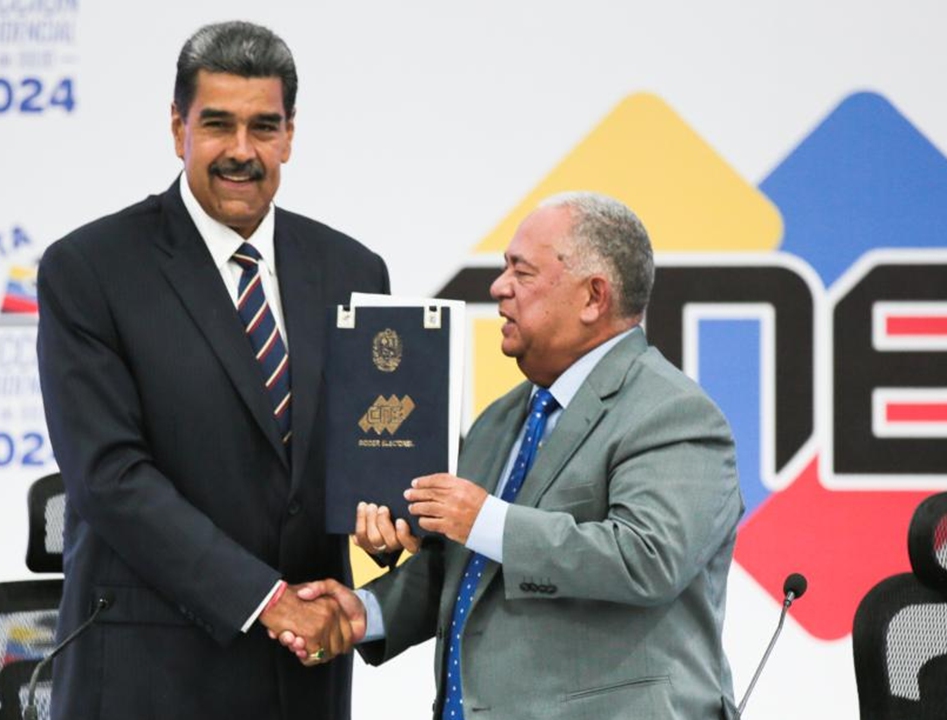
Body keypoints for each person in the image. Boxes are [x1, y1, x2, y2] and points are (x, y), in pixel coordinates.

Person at [36, 21, 387, 720]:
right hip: (151, 675)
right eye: (217, 124)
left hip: (303, 678)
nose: (241, 151)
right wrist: (267, 600)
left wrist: (390, 516)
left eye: (264, 126)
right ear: (178, 128)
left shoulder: (354, 271)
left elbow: (372, 448)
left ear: (290, 135)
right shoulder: (91, 269)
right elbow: (110, 478)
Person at [289, 191, 743, 719]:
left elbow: (646, 558)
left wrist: (487, 519)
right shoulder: (501, 418)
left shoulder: (674, 413)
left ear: (594, 296)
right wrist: (365, 612)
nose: (498, 287)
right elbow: (465, 565)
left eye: (521, 272)